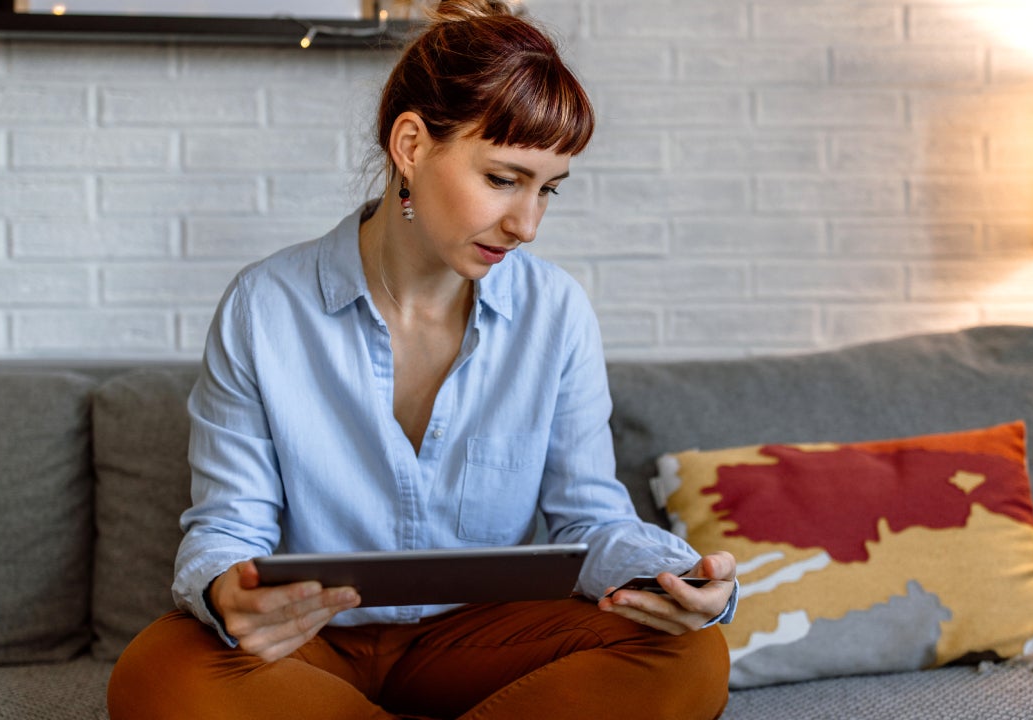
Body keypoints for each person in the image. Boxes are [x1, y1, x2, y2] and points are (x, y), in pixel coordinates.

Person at [107, 2, 737, 718]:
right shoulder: (265, 306)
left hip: (481, 638)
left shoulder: (555, 312)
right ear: (411, 144)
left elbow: (588, 520)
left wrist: (675, 577)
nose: (526, 224)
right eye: (504, 179)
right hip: (310, 644)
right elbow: (228, 527)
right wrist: (226, 591)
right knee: (159, 674)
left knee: (690, 654)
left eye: (547, 189)